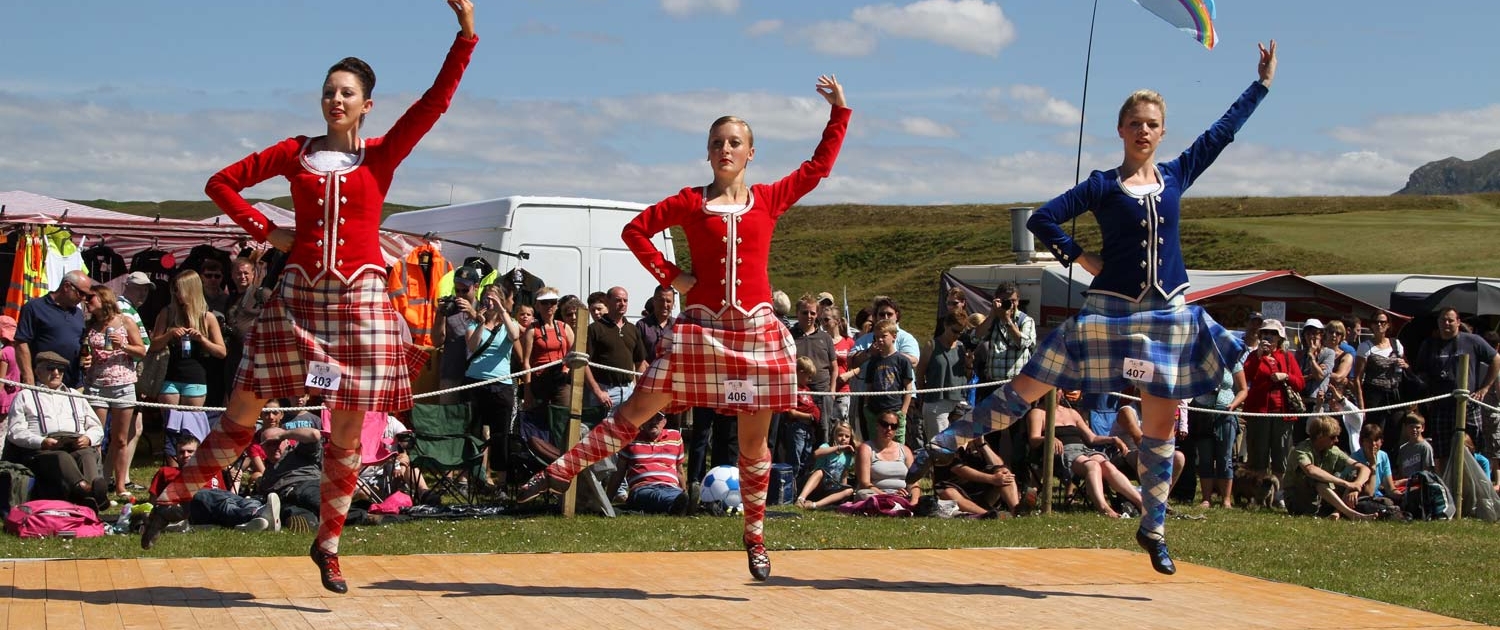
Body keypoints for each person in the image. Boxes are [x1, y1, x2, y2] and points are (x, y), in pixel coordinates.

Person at [144, 1, 478, 596]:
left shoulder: (380, 155)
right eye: (329, 91)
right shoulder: (294, 152)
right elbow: (219, 183)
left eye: (346, 93)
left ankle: (328, 542)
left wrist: (465, 37)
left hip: (361, 302)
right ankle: (175, 496)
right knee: (243, 412)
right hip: (297, 297)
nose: (335, 100)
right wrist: (264, 230)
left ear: (366, 104)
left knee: (347, 430)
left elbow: (435, 104)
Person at [936, 42, 1278, 575]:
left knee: (1160, 427)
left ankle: (1154, 527)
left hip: (1167, 315)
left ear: (1162, 133)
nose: (1144, 131)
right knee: (1033, 382)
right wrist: (1079, 256)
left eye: (1153, 124)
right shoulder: (1102, 184)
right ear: (1121, 130)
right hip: (1111, 313)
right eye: (1136, 123)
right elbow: (1042, 219)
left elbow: (1221, 135)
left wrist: (1259, 86)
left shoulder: (1178, 174)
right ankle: (948, 439)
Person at [518, 74, 850, 581]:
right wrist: (672, 276)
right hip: (700, 330)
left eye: (734, 143)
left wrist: (838, 113)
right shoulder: (690, 202)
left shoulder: (769, 198)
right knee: (636, 408)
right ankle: (559, 473)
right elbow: (635, 230)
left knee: (753, 445)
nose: (725, 150)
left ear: (750, 153)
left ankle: (755, 538)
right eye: (717, 143)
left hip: (756, 333)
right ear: (708, 152)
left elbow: (819, 167)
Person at [4, 351, 109, 513]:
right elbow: (15, 431)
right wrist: (41, 442)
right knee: (61, 456)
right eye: (50, 368)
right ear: (37, 371)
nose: (56, 373)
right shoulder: (26, 395)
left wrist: (88, 438)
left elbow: (95, 426)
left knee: (86, 454)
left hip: (75, 443)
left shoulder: (75, 395)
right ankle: (89, 492)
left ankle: (90, 493)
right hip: (42, 449)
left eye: (60, 370)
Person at [78, 285, 147, 500]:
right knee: (96, 437)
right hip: (96, 384)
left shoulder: (125, 321)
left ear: (104, 298)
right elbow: (85, 352)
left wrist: (124, 345)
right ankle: (98, 484)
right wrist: (85, 359)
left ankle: (120, 485)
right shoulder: (90, 325)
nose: (87, 301)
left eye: (91, 298)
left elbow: (142, 351)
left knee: (120, 439)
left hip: (123, 385)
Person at [1027, 391, 1142, 519]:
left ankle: (1141, 503)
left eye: (1059, 390)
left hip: (1083, 449)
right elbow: (1033, 440)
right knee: (1092, 466)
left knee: (1107, 465)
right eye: (1053, 390)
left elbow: (1092, 438)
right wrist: (1048, 438)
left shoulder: (1071, 412)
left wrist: (1112, 439)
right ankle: (1104, 508)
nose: (1057, 393)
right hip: (1061, 452)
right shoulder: (1038, 413)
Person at [1414, 307, 1497, 470]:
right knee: (1441, 453)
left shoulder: (1473, 341)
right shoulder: (1429, 344)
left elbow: (1496, 359)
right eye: (1443, 320)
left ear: (1458, 322)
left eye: (1450, 320)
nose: (1446, 323)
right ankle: (1447, 491)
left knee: (1469, 449)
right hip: (1441, 406)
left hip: (1467, 404)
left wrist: (1485, 388)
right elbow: (1421, 374)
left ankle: (1467, 491)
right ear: (1438, 323)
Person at [465, 283, 521, 492]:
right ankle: (478, 477)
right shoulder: (473, 323)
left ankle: (502, 481)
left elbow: (515, 336)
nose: (489, 303)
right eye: (486, 299)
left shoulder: (509, 322)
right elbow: (472, 346)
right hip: (475, 382)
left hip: (501, 385)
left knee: (500, 434)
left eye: (493, 299)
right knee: (475, 431)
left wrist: (502, 310)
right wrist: (481, 322)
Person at [1241, 319, 1303, 507]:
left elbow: (1300, 383)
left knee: (1280, 455)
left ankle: (1278, 494)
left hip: (1281, 414)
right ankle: (1257, 494)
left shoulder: (1287, 357)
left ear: (1280, 337)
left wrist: (1286, 376)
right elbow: (1246, 377)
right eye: (1265, 333)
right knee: (1257, 455)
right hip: (1259, 413)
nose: (1268, 336)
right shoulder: (1253, 356)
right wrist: (1259, 356)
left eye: (1273, 333)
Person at [150, 271, 228, 410]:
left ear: (192, 290)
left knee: (189, 424)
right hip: (169, 376)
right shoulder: (167, 312)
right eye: (175, 290)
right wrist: (170, 334)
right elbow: (152, 347)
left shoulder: (207, 317)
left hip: (195, 377)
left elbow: (221, 352)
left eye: (181, 290)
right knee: (170, 423)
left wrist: (202, 339)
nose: (178, 294)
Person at [1282, 415, 1373, 520]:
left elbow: (1364, 468)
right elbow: (1311, 470)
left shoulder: (1333, 450)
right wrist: (1345, 484)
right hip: (1298, 501)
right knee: (1318, 479)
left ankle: (1337, 512)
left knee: (1353, 475)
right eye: (1333, 437)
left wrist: (1356, 486)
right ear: (1320, 435)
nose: (1337, 440)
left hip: (1322, 500)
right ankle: (1351, 514)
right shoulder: (1302, 450)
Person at [15, 270, 89, 387]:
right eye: (81, 293)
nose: (84, 298)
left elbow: (81, 344)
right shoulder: (34, 308)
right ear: (66, 286)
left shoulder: (78, 313)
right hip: (43, 381)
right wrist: (28, 378)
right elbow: (21, 343)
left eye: (87, 295)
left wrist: (88, 358)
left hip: (73, 384)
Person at [583, 287, 647, 409]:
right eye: (618, 300)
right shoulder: (595, 329)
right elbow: (583, 363)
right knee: (600, 428)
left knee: (626, 428)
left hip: (629, 392)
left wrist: (640, 393)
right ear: (607, 302)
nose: (622, 304)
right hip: (604, 393)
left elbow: (640, 363)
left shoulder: (632, 329)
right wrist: (598, 392)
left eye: (625, 300)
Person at [614, 413, 689, 515]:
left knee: (675, 494)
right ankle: (681, 506)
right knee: (654, 495)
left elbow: (679, 471)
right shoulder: (630, 439)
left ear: (664, 421)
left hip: (670, 487)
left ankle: (681, 503)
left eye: (658, 418)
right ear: (643, 421)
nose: (653, 422)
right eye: (649, 418)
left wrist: (684, 492)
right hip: (642, 488)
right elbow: (619, 473)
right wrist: (607, 499)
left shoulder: (675, 437)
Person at [971, 282, 1034, 400]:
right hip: (992, 386)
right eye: (1005, 300)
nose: (1010, 304)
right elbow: (975, 338)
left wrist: (1007, 320)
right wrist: (992, 315)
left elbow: (1022, 343)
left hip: (1016, 386)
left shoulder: (1026, 321)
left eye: (1013, 300)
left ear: (1018, 301)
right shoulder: (992, 320)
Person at [433, 265, 484, 405]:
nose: (460, 294)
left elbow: (489, 337)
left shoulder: (484, 309)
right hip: (451, 373)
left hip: (477, 375)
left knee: (475, 421)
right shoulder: (450, 308)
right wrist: (440, 314)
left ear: (476, 287)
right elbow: (437, 341)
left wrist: (474, 315)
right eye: (457, 290)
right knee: (448, 418)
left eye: (465, 290)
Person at [520, 287, 573, 412]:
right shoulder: (533, 329)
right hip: (540, 381)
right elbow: (526, 361)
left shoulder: (564, 327)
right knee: (539, 420)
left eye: (553, 302)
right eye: (544, 302)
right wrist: (527, 391)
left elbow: (574, 354)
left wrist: (566, 369)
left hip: (561, 380)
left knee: (561, 417)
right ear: (537, 305)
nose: (549, 305)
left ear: (557, 305)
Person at [855, 410, 920, 502]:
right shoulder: (866, 448)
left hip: (902, 495)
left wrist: (913, 502)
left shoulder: (905, 450)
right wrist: (887, 496)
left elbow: (914, 483)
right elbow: (864, 483)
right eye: (885, 424)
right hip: (876, 495)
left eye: (893, 426)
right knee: (863, 494)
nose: (889, 429)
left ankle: (899, 505)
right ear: (877, 425)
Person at [795, 421, 856, 510]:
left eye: (847, 436)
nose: (843, 438)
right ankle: (801, 499)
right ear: (834, 436)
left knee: (849, 490)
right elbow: (816, 453)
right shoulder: (826, 446)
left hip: (831, 489)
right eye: (840, 435)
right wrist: (838, 447)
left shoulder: (848, 456)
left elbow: (844, 475)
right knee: (820, 472)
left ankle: (815, 505)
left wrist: (843, 489)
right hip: (817, 486)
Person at [1395, 412, 1434, 482]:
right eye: (1411, 427)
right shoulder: (1403, 448)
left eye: (1417, 427)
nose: (1414, 430)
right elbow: (1401, 472)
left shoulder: (1425, 447)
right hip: (1404, 485)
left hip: (1419, 485)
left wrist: (1403, 481)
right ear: (1406, 428)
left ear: (1423, 428)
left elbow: (1426, 474)